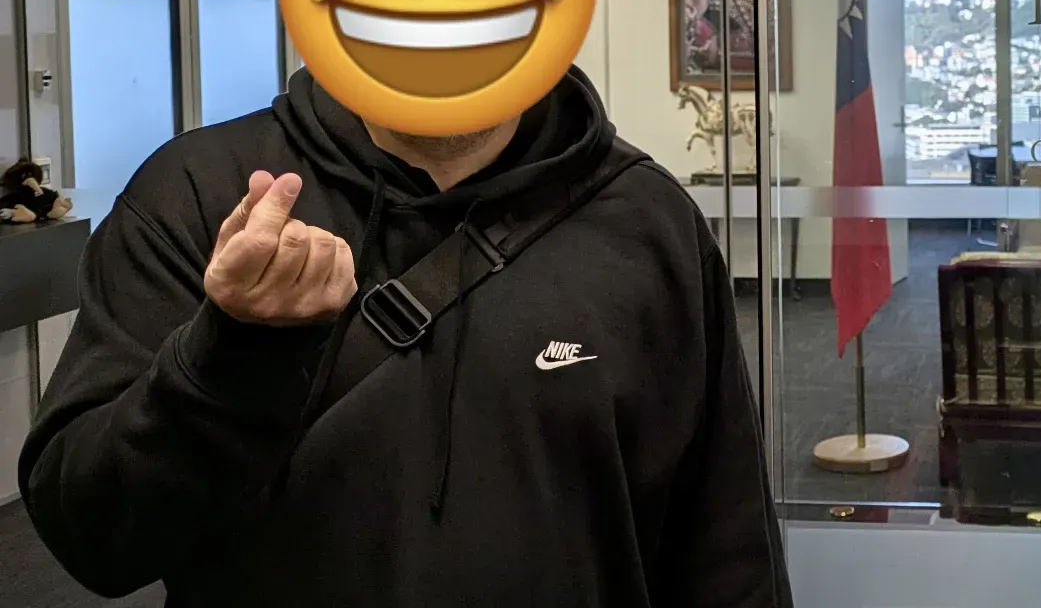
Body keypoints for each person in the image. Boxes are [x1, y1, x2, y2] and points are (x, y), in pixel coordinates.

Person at [18, 67, 791, 607]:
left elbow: (723, 539)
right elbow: (95, 538)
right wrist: (229, 353)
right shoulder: (198, 192)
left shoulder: (646, 220)